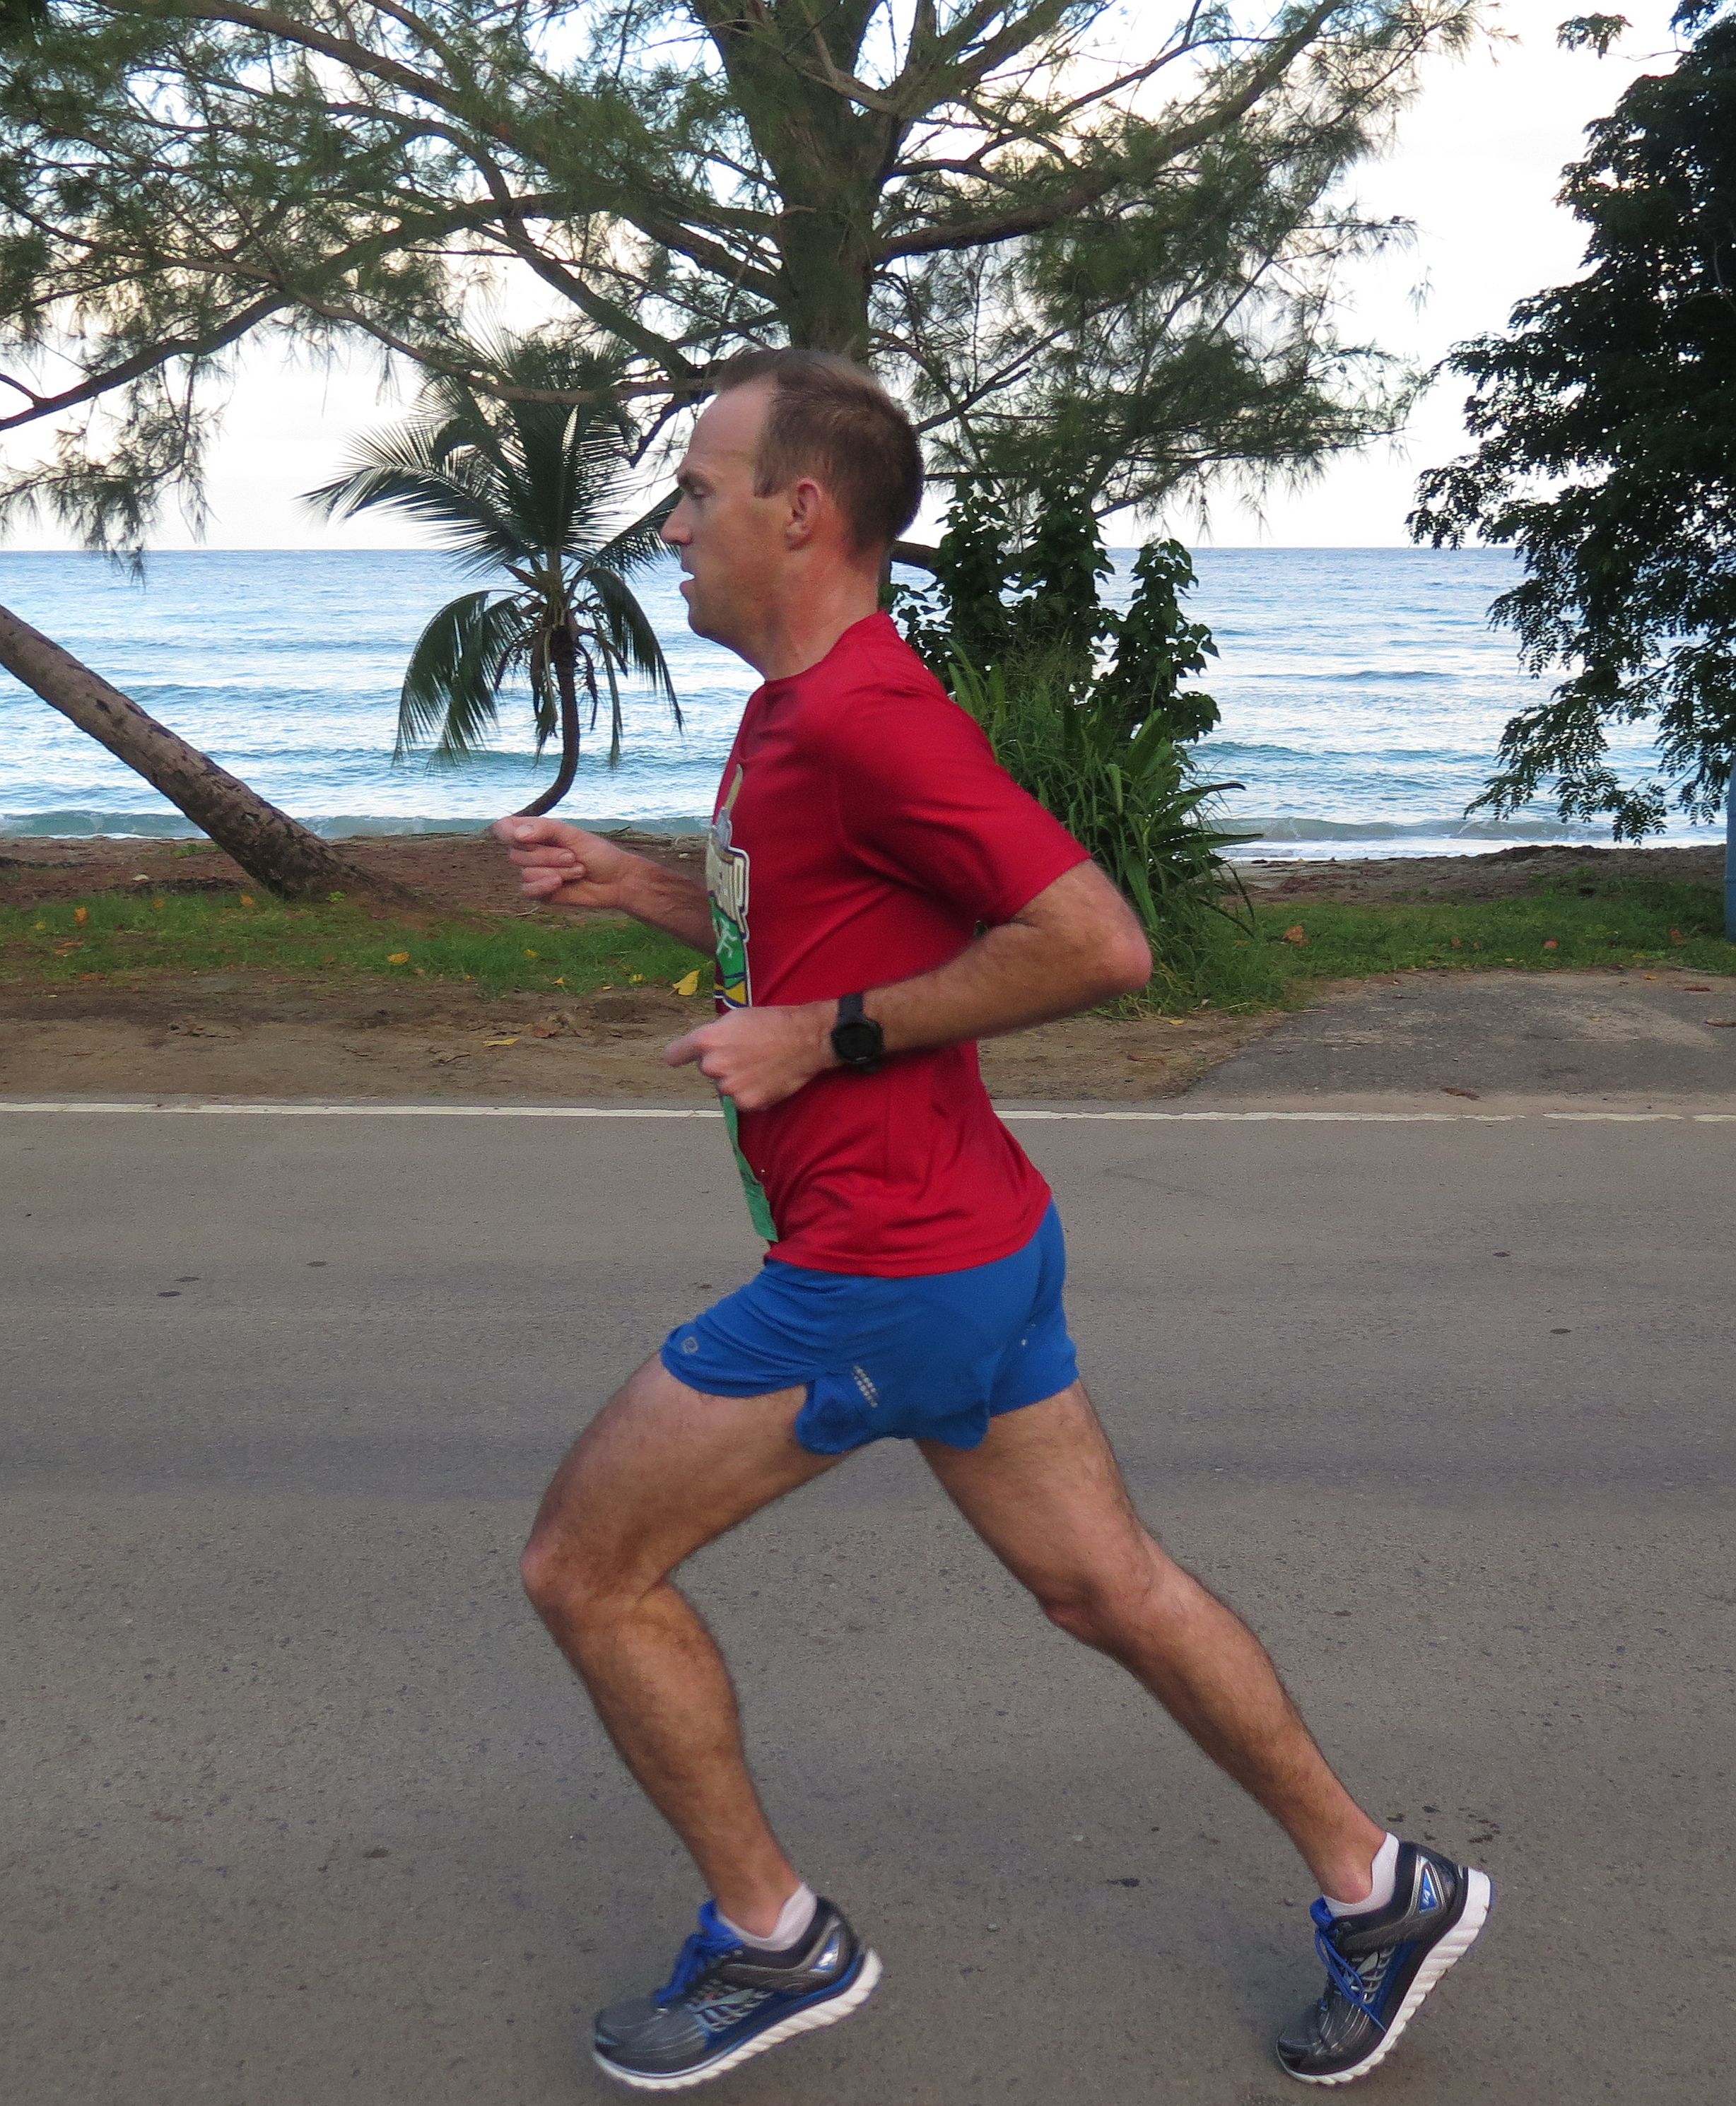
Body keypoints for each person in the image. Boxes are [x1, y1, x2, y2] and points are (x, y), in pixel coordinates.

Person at [494, 348, 1492, 2093]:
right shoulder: (796, 709)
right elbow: (813, 930)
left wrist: (822, 1037)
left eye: (697, 491)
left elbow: (1096, 942)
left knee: (584, 1565)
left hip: (880, 1267)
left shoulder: (870, 717)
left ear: (800, 513)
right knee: (1108, 1588)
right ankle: (1380, 1883)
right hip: (973, 1241)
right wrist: (643, 886)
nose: (671, 526)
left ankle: (771, 1938)